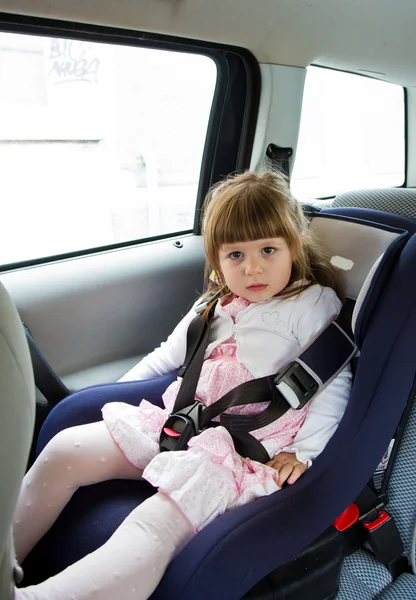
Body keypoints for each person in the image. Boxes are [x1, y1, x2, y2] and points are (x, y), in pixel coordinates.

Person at [14, 170, 352, 600]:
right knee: (65, 450)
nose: (253, 267)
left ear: (294, 247)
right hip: (180, 427)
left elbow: (333, 380)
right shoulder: (213, 304)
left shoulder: (311, 303)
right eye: (235, 255)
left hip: (238, 455)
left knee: (153, 524)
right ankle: (10, 559)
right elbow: (165, 358)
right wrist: (105, 399)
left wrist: (304, 452)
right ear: (216, 260)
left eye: (269, 249)